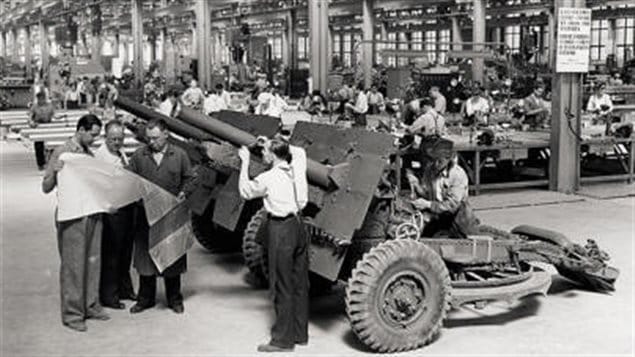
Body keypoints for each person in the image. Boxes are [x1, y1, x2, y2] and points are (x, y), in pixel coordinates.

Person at [238, 137, 309, 353]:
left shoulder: (267, 177)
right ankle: (299, 334)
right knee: (299, 284)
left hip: (280, 230)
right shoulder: (297, 166)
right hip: (299, 226)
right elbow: (299, 152)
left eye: (266, 151)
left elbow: (246, 192)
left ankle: (282, 341)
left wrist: (245, 162)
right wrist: (274, 142)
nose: (263, 154)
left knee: (281, 285)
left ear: (272, 154)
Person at [42, 114, 109, 332]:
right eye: (92, 135)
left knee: (92, 261)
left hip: (92, 213)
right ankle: (72, 314)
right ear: (80, 129)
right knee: (73, 265)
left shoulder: (90, 154)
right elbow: (46, 187)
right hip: (72, 217)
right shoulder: (62, 152)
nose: (94, 140)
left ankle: (90, 305)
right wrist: (55, 171)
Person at [127, 119, 194, 315]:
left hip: (171, 214)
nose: (152, 142)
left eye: (156, 138)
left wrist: (184, 192)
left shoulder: (179, 155)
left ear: (166, 134)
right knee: (145, 259)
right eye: (149, 138)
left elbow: (190, 178)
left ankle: (174, 299)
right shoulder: (140, 155)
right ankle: (145, 299)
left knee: (171, 257)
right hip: (145, 215)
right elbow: (130, 178)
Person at [94, 120, 137, 309]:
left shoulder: (120, 153)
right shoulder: (100, 157)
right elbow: (96, 186)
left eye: (120, 139)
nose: (118, 143)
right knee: (112, 255)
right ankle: (109, 296)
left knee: (126, 252)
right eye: (113, 139)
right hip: (113, 211)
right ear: (105, 138)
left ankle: (125, 289)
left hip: (126, 207)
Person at [406, 138, 480, 238]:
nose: (436, 164)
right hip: (438, 217)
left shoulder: (457, 175)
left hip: (458, 220)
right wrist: (416, 185)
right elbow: (428, 194)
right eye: (433, 160)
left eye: (440, 161)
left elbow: (451, 206)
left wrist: (427, 204)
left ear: (448, 159)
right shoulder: (430, 170)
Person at [29, 91, 56, 170]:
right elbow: (30, 117)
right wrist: (31, 122)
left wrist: (60, 117)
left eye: (42, 99)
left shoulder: (50, 106)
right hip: (38, 127)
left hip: (49, 126)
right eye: (38, 99)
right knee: (38, 145)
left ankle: (51, 161)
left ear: (45, 98)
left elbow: (54, 115)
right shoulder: (34, 107)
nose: (40, 100)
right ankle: (41, 164)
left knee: (52, 144)